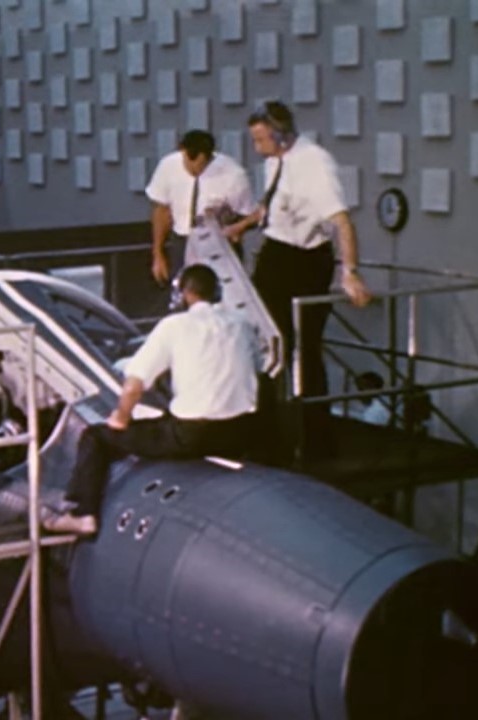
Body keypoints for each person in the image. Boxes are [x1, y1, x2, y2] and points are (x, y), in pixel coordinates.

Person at [44, 264, 261, 536]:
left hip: (193, 435)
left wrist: (120, 419)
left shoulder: (174, 326)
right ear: (217, 291)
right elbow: (258, 370)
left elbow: (134, 386)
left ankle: (83, 515)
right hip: (242, 433)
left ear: (184, 294)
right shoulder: (241, 322)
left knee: (95, 437)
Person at [223, 101, 373, 459]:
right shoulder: (276, 160)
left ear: (281, 135)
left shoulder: (314, 164)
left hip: (305, 260)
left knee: (302, 347)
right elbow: (269, 205)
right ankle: (266, 426)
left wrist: (349, 272)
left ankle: (314, 434)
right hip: (276, 253)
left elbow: (342, 222)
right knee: (266, 341)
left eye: (260, 140)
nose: (256, 148)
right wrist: (240, 227)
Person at [147, 130, 255, 286]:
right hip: (181, 241)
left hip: (219, 244)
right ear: (182, 150)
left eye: (200, 164)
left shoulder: (234, 174)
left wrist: (236, 230)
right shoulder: (168, 166)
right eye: (188, 160)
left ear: (209, 156)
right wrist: (158, 253)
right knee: (181, 291)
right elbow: (161, 211)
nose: (193, 168)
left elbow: (248, 214)